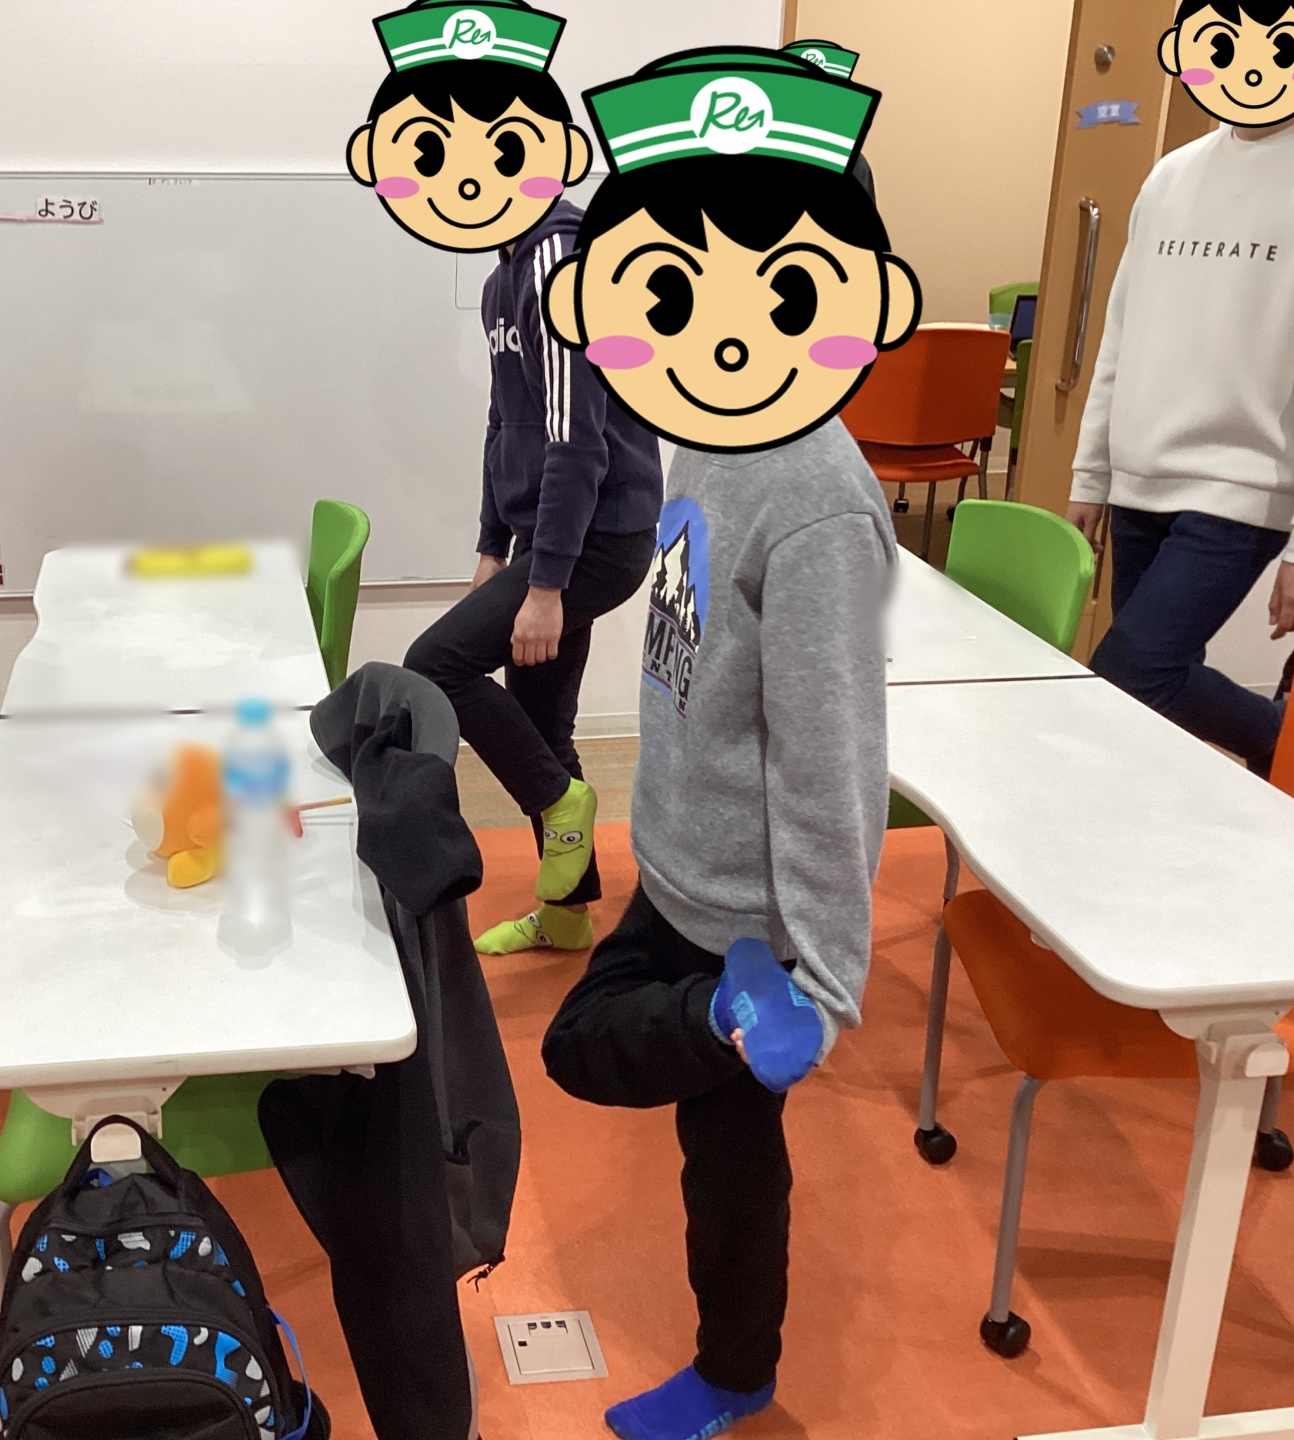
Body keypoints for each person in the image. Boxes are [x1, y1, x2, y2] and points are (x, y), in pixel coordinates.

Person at [538, 48, 917, 1439]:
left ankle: (738, 1370)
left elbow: (834, 756)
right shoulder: (708, 432)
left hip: (749, 908)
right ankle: (723, 1028)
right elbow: (685, 653)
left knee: (717, 1148)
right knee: (653, 1093)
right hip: (682, 864)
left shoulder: (818, 503)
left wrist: (822, 969)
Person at [347, 1, 663, 953]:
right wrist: (494, 546)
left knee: (434, 664)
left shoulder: (563, 259)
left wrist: (548, 583)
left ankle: (562, 805)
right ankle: (568, 915)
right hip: (552, 535)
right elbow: (505, 421)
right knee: (539, 719)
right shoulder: (503, 275)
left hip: (598, 536)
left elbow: (577, 440)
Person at [1068, 0, 1294, 770]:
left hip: (1243, 489)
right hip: (1140, 478)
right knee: (1149, 692)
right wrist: (1091, 472)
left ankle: (1293, 750)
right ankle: (1170, 817)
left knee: (1132, 672)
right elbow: (1121, 333)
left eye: (1276, 43)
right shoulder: (1172, 174)